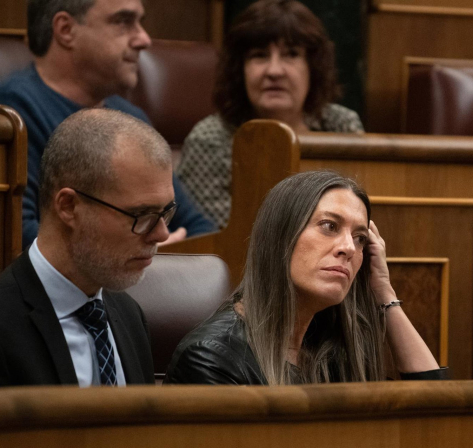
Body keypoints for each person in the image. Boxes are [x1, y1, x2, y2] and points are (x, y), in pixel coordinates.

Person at [166, 171, 448, 385]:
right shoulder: (212, 357)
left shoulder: (334, 346)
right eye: (329, 226)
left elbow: (433, 414)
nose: (349, 248)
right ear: (280, 236)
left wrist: (384, 293)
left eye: (360, 238)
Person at [0, 0, 215, 250]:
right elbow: (15, 239)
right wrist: (150, 250)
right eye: (123, 22)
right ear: (66, 30)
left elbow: (196, 226)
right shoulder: (11, 115)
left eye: (140, 23)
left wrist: (168, 256)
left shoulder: (130, 117)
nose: (144, 39)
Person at [0, 109, 174, 386]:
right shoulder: (5, 322)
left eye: (166, 212)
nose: (162, 234)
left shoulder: (129, 315)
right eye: (142, 215)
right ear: (69, 207)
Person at [176, 0, 364, 229]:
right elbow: (219, 238)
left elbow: (361, 217)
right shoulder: (210, 139)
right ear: (240, 70)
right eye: (260, 55)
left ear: (313, 68)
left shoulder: (341, 125)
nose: (274, 71)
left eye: (291, 54)